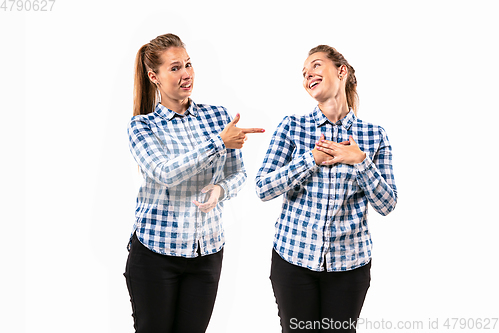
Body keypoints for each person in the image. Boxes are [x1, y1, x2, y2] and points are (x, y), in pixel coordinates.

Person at [124, 33, 264, 333]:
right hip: (155, 255)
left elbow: (238, 174)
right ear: (154, 76)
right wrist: (218, 143)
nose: (186, 73)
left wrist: (220, 189)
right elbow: (165, 172)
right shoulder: (142, 126)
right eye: (174, 68)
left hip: (206, 253)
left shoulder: (218, 117)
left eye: (188, 65)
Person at [255, 45, 397, 332]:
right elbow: (263, 188)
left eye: (316, 66)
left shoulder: (374, 135)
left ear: (341, 71)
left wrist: (360, 161)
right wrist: (311, 160)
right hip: (293, 261)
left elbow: (387, 204)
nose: (309, 75)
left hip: (350, 267)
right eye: (305, 73)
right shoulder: (293, 127)